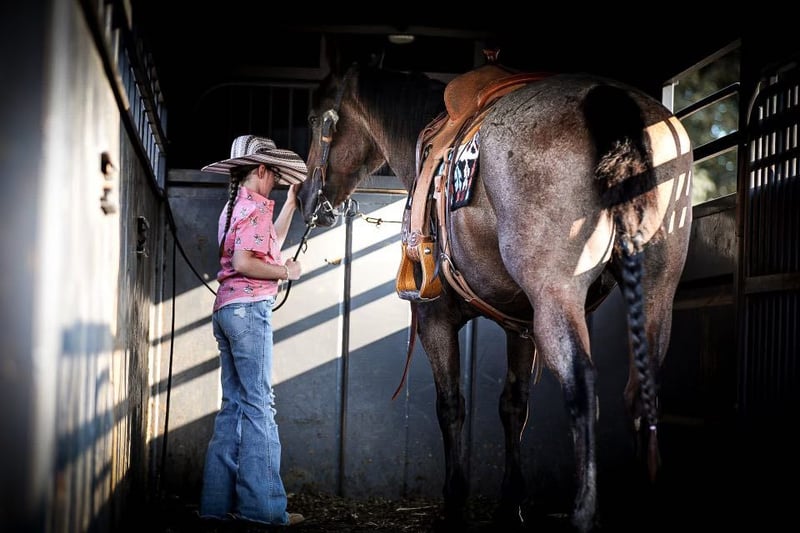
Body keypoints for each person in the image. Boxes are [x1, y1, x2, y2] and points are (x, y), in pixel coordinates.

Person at [198, 135, 307, 527]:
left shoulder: (234, 208)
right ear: (261, 169)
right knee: (260, 406)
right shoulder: (254, 208)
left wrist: (290, 205)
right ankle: (264, 511)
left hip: (226, 311)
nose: (276, 181)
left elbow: (264, 244)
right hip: (248, 313)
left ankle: (215, 507)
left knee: (233, 406)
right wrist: (286, 272)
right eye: (274, 173)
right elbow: (247, 262)